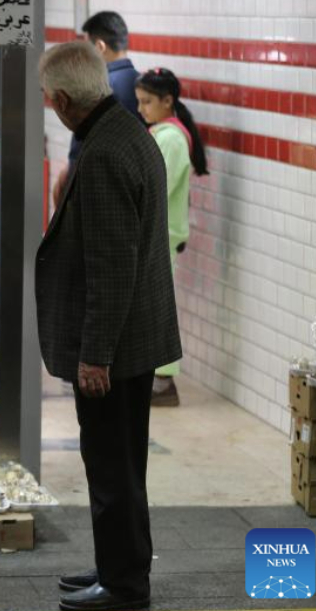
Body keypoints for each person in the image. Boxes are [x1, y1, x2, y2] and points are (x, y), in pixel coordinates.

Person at [36, 42, 182, 611]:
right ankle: (117, 566)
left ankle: (123, 587)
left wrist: (94, 355)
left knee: (112, 467)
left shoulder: (101, 156)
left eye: (50, 98)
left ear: (66, 100)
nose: (49, 105)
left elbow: (112, 265)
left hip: (116, 347)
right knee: (122, 463)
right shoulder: (125, 132)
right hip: (137, 336)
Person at [135, 68, 209, 407]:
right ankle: (155, 376)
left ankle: (164, 381)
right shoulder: (162, 133)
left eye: (147, 102)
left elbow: (154, 188)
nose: (141, 109)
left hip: (161, 233)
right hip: (156, 232)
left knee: (158, 308)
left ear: (168, 101)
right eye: (139, 102)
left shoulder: (171, 139)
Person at [54, 11, 141, 202]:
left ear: (100, 47)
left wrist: (69, 182)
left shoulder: (98, 89)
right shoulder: (141, 83)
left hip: (98, 191)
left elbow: (81, 147)